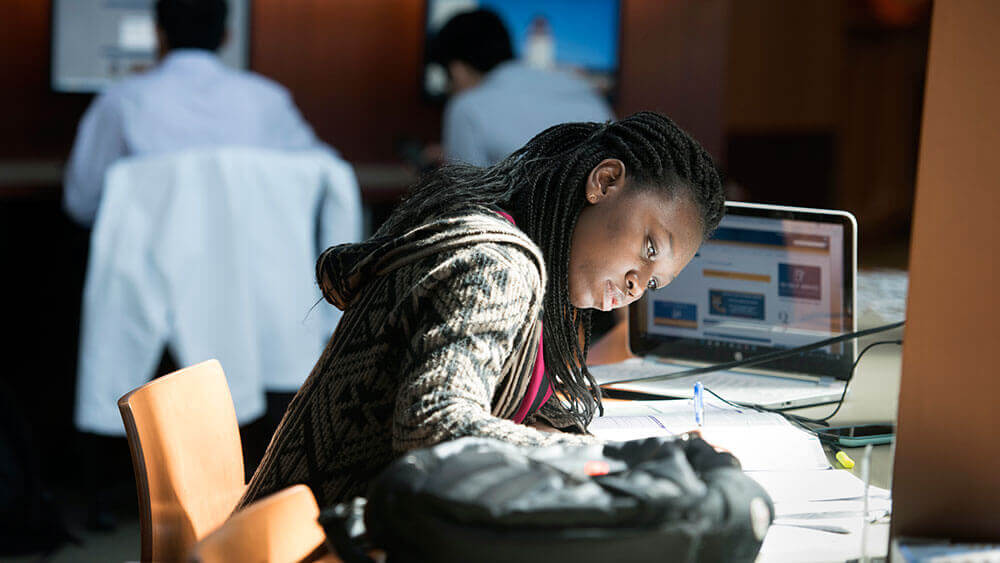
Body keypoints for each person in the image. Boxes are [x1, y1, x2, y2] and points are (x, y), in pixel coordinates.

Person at [239, 112, 725, 509]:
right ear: (605, 181)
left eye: (655, 282)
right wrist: (614, 458)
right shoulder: (500, 266)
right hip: (312, 547)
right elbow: (435, 425)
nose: (638, 284)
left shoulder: (533, 267)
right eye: (647, 246)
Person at [63, 0, 320, 227]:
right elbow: (326, 181)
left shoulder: (122, 100)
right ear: (227, 37)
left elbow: (81, 203)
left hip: (151, 275)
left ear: (157, 33)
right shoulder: (269, 100)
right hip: (250, 274)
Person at [429, 9, 614, 167]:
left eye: (448, 78)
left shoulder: (465, 108)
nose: (448, 88)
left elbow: (463, 202)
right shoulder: (582, 88)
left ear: (457, 69)